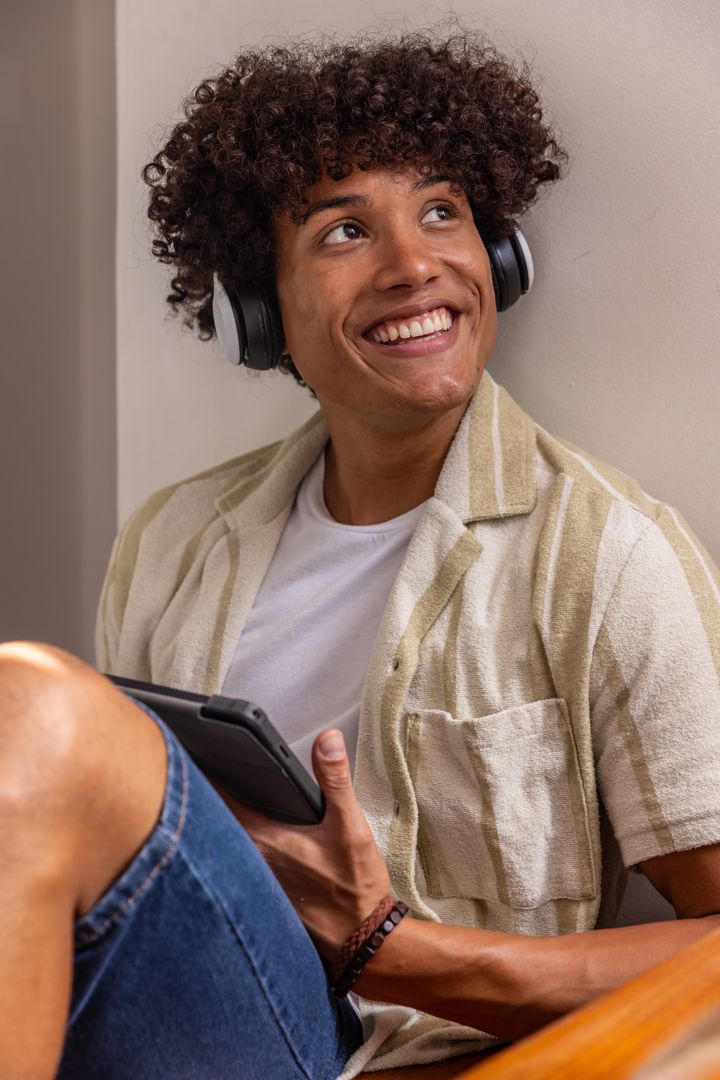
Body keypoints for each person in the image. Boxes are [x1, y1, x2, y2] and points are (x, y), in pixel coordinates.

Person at [2, 30, 720, 1080]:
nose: (413, 264)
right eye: (345, 231)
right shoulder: (171, 541)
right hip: (173, 1010)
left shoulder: (604, 554)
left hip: (395, 1050)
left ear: (498, 261)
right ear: (258, 310)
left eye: (441, 213)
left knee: (30, 701)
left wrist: (391, 947)